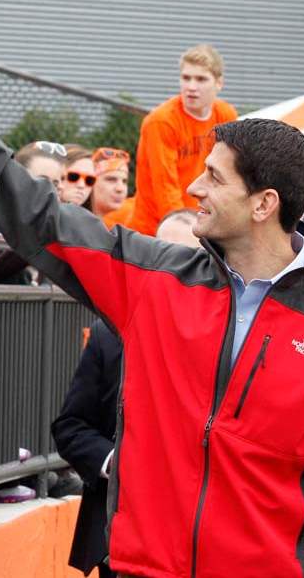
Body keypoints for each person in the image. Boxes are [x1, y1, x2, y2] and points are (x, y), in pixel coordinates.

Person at [0, 1, 304, 577]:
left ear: (264, 204)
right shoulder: (151, 277)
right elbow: (40, 217)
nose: (193, 186)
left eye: (214, 176)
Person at [52, 208, 199, 578]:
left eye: (185, 258)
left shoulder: (232, 339)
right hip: (117, 541)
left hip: (197, 542)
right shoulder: (109, 334)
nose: (170, 269)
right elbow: (71, 426)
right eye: (162, 252)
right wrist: (117, 463)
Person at [128, 44, 237, 236]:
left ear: (219, 83)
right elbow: (165, 187)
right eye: (186, 78)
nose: (191, 87)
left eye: (201, 79)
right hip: (157, 228)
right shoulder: (161, 121)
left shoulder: (225, 114)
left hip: (201, 220)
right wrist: (184, 231)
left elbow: (229, 172)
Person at [0, 141, 66, 285]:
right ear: (17, 179)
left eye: (55, 183)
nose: (50, 190)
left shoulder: (61, 227)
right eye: (42, 180)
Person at [88, 147, 132, 229]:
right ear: (90, 182)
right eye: (111, 180)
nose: (120, 189)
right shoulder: (79, 224)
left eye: (124, 181)